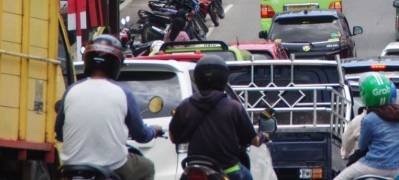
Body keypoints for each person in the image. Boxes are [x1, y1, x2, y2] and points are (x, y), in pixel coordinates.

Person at [56, 35, 163, 180]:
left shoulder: (71, 90)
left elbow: (59, 132)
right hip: (112, 167)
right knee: (147, 167)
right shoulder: (123, 93)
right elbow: (141, 135)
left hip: (71, 168)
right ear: (116, 63)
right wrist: (154, 130)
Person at [168, 55, 268, 180]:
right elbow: (254, 140)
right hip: (228, 170)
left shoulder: (185, 106)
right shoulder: (234, 107)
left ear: (197, 79)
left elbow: (173, 137)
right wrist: (264, 136)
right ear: (224, 78)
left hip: (194, 170)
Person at [333, 73, 399, 180]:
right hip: (395, 170)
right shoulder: (398, 115)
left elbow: (362, 145)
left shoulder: (368, 119)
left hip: (373, 166)